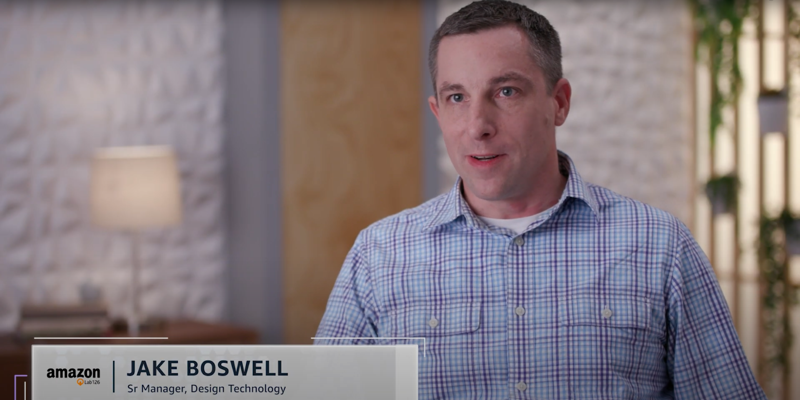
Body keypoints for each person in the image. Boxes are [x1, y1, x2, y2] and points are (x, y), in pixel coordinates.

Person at [315, 0, 766, 398]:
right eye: (457, 97)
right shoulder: (378, 255)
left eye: (505, 92)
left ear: (559, 102)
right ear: (437, 111)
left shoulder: (660, 247)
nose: (478, 126)